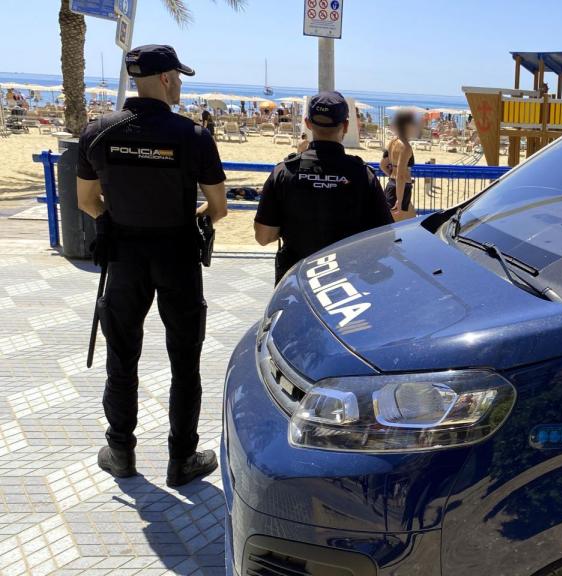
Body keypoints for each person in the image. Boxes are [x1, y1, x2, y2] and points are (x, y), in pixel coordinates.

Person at [76, 45, 228, 487]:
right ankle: (182, 459)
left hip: (124, 257)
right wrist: (190, 218)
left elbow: (87, 201)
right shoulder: (193, 136)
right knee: (185, 361)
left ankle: (121, 452)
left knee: (121, 357)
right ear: (164, 79)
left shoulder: (98, 132)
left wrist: (116, 220)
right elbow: (218, 207)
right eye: (177, 77)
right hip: (177, 256)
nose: (179, 84)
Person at [254, 91, 394, 284]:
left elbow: (263, 236)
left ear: (308, 123)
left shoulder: (285, 172)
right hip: (349, 281)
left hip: (296, 282)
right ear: (345, 126)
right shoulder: (362, 175)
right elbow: (385, 239)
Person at [382, 110, 418, 221]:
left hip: (393, 186)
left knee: (411, 221)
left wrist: (392, 177)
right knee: (399, 226)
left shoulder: (392, 142)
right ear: (407, 126)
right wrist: (400, 200)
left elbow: (382, 165)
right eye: (413, 124)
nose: (415, 127)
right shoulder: (405, 147)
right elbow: (400, 175)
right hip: (401, 190)